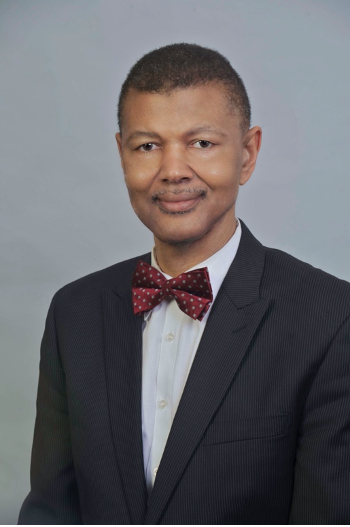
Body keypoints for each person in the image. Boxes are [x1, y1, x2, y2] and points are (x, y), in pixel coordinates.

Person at [18, 43, 350, 525]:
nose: (172, 171)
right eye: (147, 145)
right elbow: (51, 511)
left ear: (248, 153)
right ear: (121, 154)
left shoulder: (331, 317)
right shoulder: (74, 312)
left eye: (201, 143)